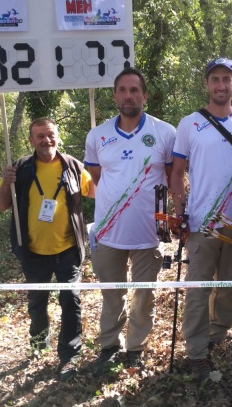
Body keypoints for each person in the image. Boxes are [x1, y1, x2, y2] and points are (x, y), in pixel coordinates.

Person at [169, 57, 232, 382]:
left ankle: (215, 335)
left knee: (229, 288)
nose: (221, 85)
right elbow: (177, 172)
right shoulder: (190, 123)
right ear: (207, 84)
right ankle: (196, 352)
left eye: (226, 79)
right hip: (202, 223)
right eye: (215, 79)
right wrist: (179, 211)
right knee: (197, 290)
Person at [84, 67, 176, 372]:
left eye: (134, 90)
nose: (128, 95)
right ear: (114, 95)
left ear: (145, 95)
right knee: (112, 294)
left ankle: (136, 346)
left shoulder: (165, 132)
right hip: (108, 230)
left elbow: (173, 176)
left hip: (150, 231)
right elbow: (98, 176)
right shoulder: (97, 135)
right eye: (122, 90)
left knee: (144, 295)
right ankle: (109, 345)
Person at [0, 117, 93, 381]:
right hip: (33, 252)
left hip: (68, 250)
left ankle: (69, 357)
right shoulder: (20, 168)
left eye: (50, 135)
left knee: (70, 301)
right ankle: (39, 344)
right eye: (40, 136)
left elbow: (96, 192)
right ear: (31, 140)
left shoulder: (73, 166)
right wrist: (6, 181)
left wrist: (100, 168)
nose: (46, 141)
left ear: (57, 137)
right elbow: (1, 205)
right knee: (37, 302)